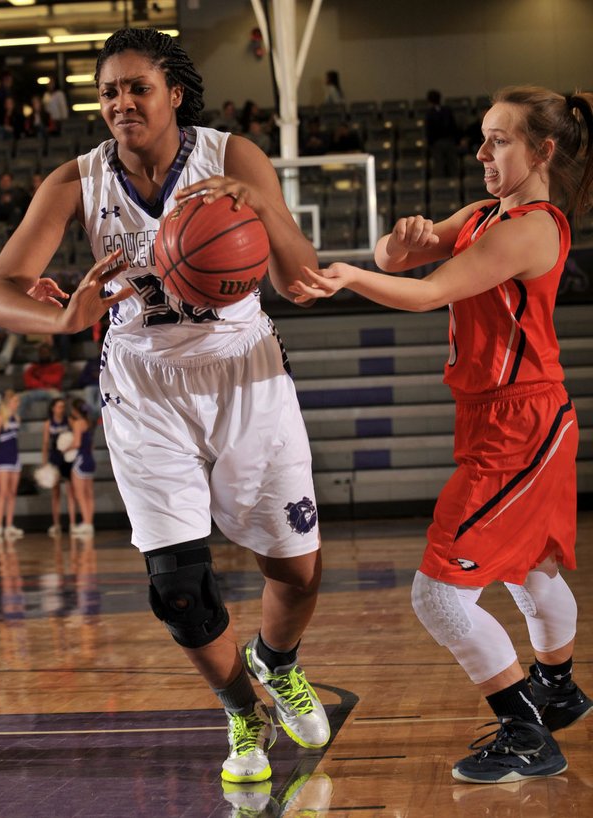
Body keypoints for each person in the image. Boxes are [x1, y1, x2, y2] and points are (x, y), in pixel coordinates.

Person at [0, 26, 329, 783]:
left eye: (138, 87)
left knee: (296, 572)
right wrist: (65, 317)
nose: (122, 102)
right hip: (143, 387)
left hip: (245, 375)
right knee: (176, 588)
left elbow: (299, 277)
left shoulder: (231, 156)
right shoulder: (77, 181)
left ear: (174, 93)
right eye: (108, 91)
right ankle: (242, 708)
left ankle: (279, 659)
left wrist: (256, 206)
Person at [291, 85, 593, 784]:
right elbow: (406, 262)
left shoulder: (532, 227)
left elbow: (427, 292)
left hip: (522, 422)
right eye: (483, 136)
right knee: (529, 567)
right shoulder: (489, 213)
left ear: (543, 151)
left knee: (438, 594)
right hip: (511, 415)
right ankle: (559, 688)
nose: (482, 151)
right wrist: (390, 245)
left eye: (500, 140)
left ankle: (526, 733)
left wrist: (348, 276)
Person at [0, 390, 24, 539]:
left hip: (15, 458)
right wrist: (0, 452)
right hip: (3, 459)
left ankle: (9, 525)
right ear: (8, 402)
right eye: (15, 401)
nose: (17, 404)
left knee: (12, 493)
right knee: (2, 492)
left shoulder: (17, 418)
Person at [41, 397, 76, 537]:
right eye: (58, 406)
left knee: (70, 492)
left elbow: (76, 436)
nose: (61, 409)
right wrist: (45, 462)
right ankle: (56, 524)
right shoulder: (48, 423)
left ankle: (73, 523)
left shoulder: (69, 421)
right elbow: (45, 444)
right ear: (53, 408)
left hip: (67, 459)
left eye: (63, 406)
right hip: (54, 458)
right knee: (55, 493)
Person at [67, 399, 96, 535]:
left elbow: (77, 443)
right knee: (89, 494)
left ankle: (85, 522)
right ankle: (89, 523)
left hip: (80, 460)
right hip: (90, 460)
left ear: (75, 410)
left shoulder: (78, 423)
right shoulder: (88, 423)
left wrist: (65, 449)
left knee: (80, 495)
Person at [19, 341, 65, 418]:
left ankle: (54, 423)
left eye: (45, 352)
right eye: (41, 353)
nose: (43, 355)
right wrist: (43, 383)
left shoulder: (57, 366)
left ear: (50, 353)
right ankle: (15, 423)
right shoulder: (33, 367)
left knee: (57, 398)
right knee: (19, 398)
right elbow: (28, 382)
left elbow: (56, 380)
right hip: (35, 391)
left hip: (51, 390)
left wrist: (40, 377)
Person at [425, 89, 459, 177]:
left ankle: (441, 185)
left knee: (439, 165)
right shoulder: (447, 110)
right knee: (452, 164)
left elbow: (429, 130)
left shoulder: (430, 113)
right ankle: (453, 182)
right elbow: (453, 126)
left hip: (438, 143)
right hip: (449, 141)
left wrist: (430, 143)